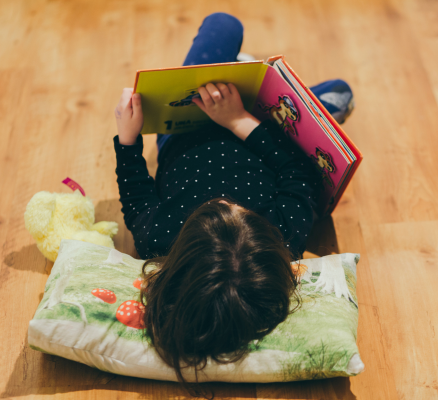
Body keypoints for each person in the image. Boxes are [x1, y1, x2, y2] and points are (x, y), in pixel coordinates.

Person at [112, 12, 354, 390]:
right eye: (240, 211)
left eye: (216, 209)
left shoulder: (158, 238)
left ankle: (259, 84)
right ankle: (276, 95)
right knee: (341, 92)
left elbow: (135, 196)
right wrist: (239, 119)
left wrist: (128, 139)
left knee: (224, 25)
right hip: (260, 128)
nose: (226, 201)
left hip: (185, 125)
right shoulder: (282, 238)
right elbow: (299, 174)